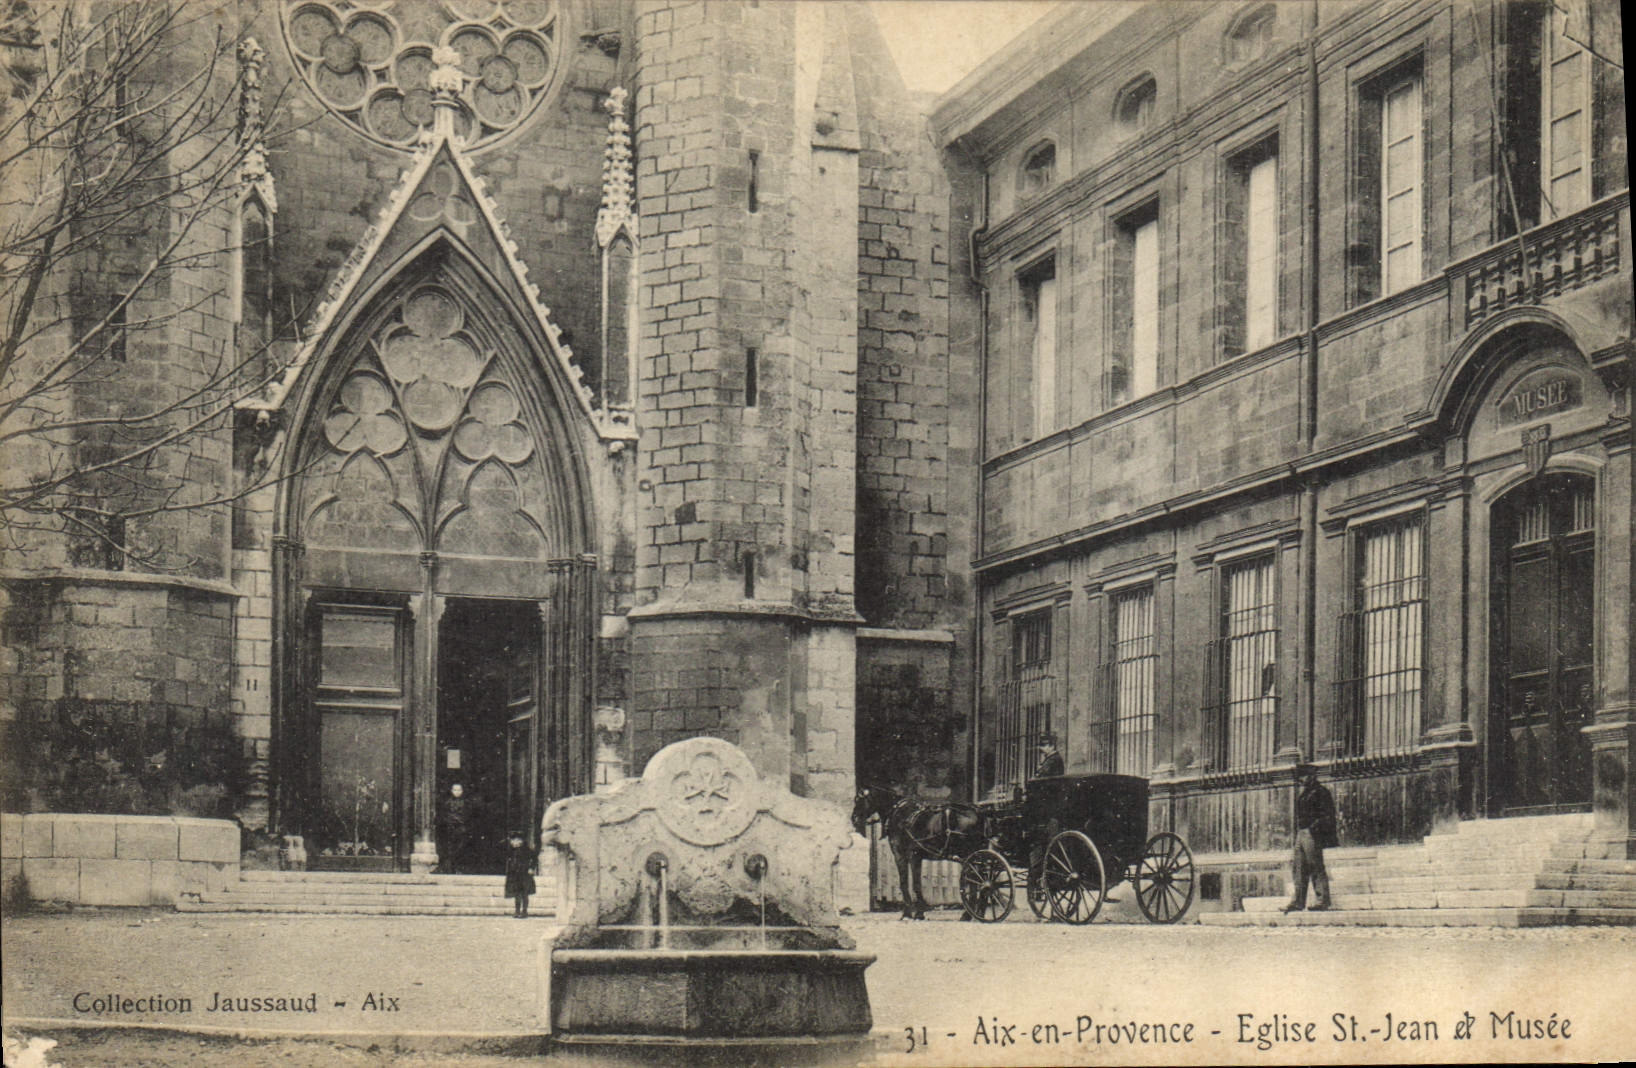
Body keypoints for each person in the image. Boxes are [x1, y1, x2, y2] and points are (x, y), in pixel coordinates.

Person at [1283, 763, 1337, 912]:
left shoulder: (1321, 792)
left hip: (1313, 834)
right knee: (1299, 867)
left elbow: (1327, 815)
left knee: (1315, 866)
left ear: (1312, 776)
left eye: (1304, 776)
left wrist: (1313, 830)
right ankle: (1298, 902)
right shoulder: (1305, 793)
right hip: (1302, 833)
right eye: (1300, 776)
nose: (1301, 779)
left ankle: (1322, 900)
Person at [441, 782, 472, 874]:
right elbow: (445, 815)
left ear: (462, 791)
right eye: (455, 790)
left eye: (459, 790)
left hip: (462, 828)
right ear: (451, 791)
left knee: (461, 848)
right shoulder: (447, 803)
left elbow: (469, 815)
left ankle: (459, 868)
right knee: (450, 848)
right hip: (451, 828)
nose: (457, 792)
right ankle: (450, 869)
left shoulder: (466, 803)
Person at [504, 833, 536, 918]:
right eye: (513, 841)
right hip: (515, 874)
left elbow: (534, 858)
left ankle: (524, 911)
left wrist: (531, 868)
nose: (514, 843)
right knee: (517, 893)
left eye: (517, 840)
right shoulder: (511, 851)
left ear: (521, 841)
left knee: (524, 893)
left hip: (524, 874)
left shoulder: (526, 850)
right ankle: (517, 911)